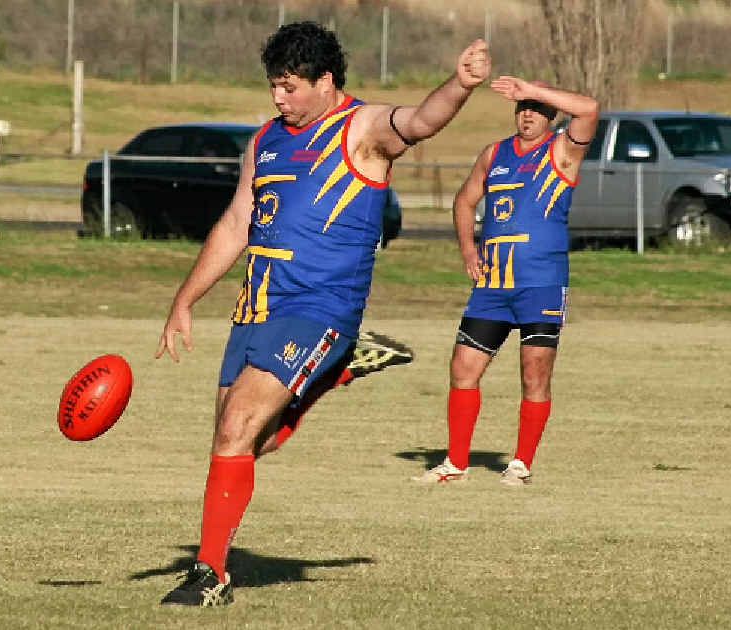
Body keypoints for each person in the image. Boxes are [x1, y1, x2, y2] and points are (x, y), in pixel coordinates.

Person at [154, 21, 490, 606]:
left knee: (236, 430)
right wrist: (185, 300)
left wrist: (459, 86)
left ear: (325, 81)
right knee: (244, 443)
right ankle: (338, 370)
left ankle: (212, 575)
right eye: (273, 87)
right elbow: (237, 224)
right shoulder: (266, 141)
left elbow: (421, 121)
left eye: (288, 87)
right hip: (256, 307)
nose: (278, 99)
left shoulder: (361, 129)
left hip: (319, 308)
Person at [412, 77, 599, 486]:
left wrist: (533, 89)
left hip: (541, 283)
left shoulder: (562, 150)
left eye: (537, 108)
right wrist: (468, 250)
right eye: (523, 107)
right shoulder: (494, 154)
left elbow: (588, 109)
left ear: (551, 115)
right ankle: (455, 463)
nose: (528, 113)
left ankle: (520, 464)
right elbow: (464, 201)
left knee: (534, 375)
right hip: (494, 286)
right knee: (463, 367)